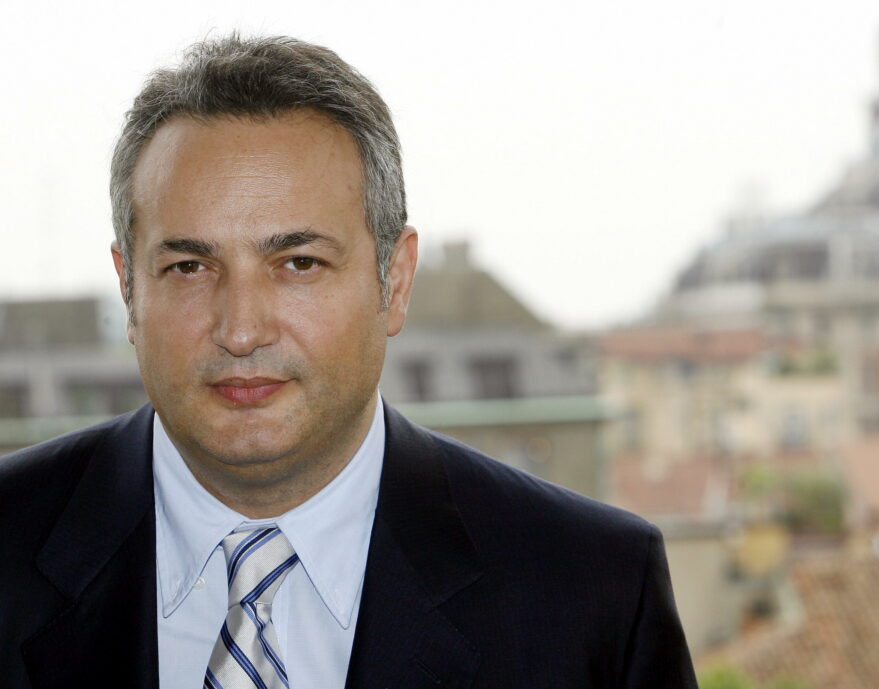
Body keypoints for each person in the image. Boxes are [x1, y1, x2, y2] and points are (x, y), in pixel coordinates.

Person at [0, 34, 698, 689]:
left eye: (299, 263)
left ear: (396, 280)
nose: (240, 330)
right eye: (189, 266)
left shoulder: (595, 593)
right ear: (128, 288)